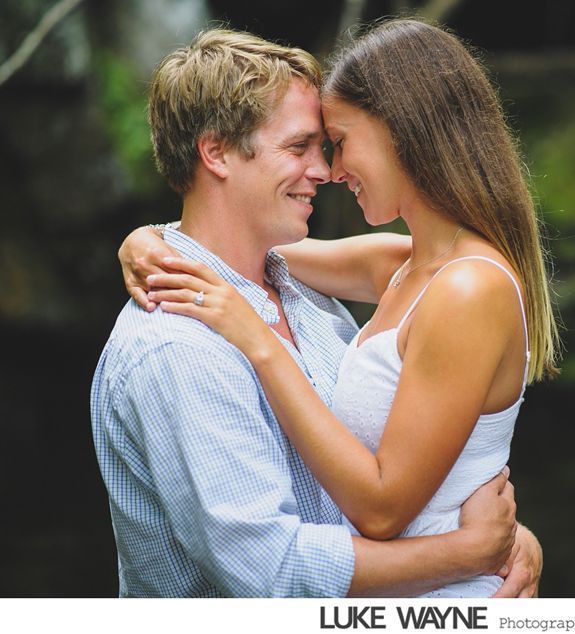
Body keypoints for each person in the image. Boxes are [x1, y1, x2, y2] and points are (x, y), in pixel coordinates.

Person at [93, 27, 543, 598]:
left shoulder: (308, 297)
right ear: (215, 153)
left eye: (332, 143)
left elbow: (403, 478)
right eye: (300, 146)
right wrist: (465, 553)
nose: (327, 170)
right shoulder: (179, 347)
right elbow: (272, 573)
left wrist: (502, 545)